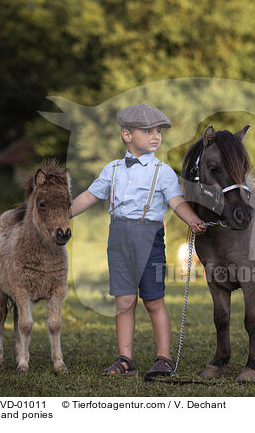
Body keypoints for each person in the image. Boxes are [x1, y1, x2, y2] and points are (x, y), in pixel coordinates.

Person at [69, 104, 206, 376]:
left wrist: (192, 219)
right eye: (147, 131)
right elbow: (89, 196)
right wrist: (63, 215)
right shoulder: (113, 170)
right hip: (119, 238)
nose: (156, 136)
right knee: (124, 301)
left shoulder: (163, 171)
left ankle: (163, 358)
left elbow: (176, 201)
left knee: (153, 301)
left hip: (149, 238)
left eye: (158, 131)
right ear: (127, 135)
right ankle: (125, 359)